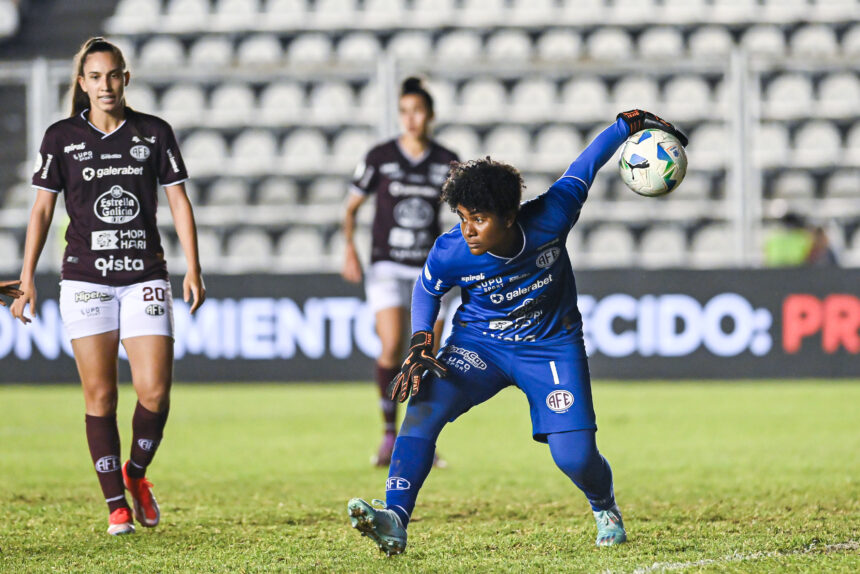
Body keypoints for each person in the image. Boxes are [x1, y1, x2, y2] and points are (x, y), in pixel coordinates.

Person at [347, 110, 689, 555]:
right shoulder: (452, 248)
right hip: (479, 346)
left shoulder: (552, 215)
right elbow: (426, 288)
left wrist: (627, 125)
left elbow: (585, 164)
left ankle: (603, 505)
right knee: (424, 405)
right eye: (462, 216)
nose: (467, 228)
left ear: (510, 216)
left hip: (551, 345)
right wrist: (419, 340)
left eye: (479, 219)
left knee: (574, 457)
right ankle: (395, 518)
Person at [10, 37, 205, 536]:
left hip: (144, 274)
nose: (105, 85)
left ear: (126, 78)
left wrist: (194, 268)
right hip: (84, 279)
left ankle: (135, 476)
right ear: (82, 84)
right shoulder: (61, 137)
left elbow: (179, 202)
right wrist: (28, 277)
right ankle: (116, 505)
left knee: (155, 392)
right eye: (95, 77)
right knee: (100, 397)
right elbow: (42, 209)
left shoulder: (153, 133)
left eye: (113, 75)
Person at [341, 77, 459, 467]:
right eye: (405, 112)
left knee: (428, 353)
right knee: (392, 345)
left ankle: (420, 437)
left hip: (430, 271)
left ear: (431, 116)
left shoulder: (446, 160)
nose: (411, 119)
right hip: (388, 264)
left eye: (418, 111)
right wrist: (349, 251)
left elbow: (465, 215)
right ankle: (390, 433)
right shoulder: (379, 157)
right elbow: (351, 208)